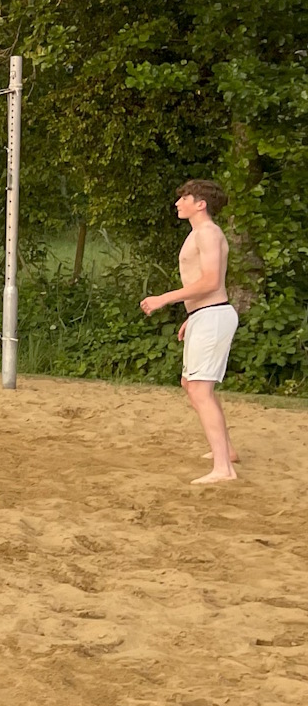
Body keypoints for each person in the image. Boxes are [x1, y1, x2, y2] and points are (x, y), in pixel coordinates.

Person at [139, 179, 238, 484]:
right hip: (204, 315)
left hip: (212, 315)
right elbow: (205, 285)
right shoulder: (200, 234)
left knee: (199, 389)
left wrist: (163, 299)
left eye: (184, 198)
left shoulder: (207, 232)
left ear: (201, 203)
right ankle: (227, 452)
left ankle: (224, 469)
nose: (177, 203)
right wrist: (192, 316)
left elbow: (210, 282)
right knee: (190, 384)